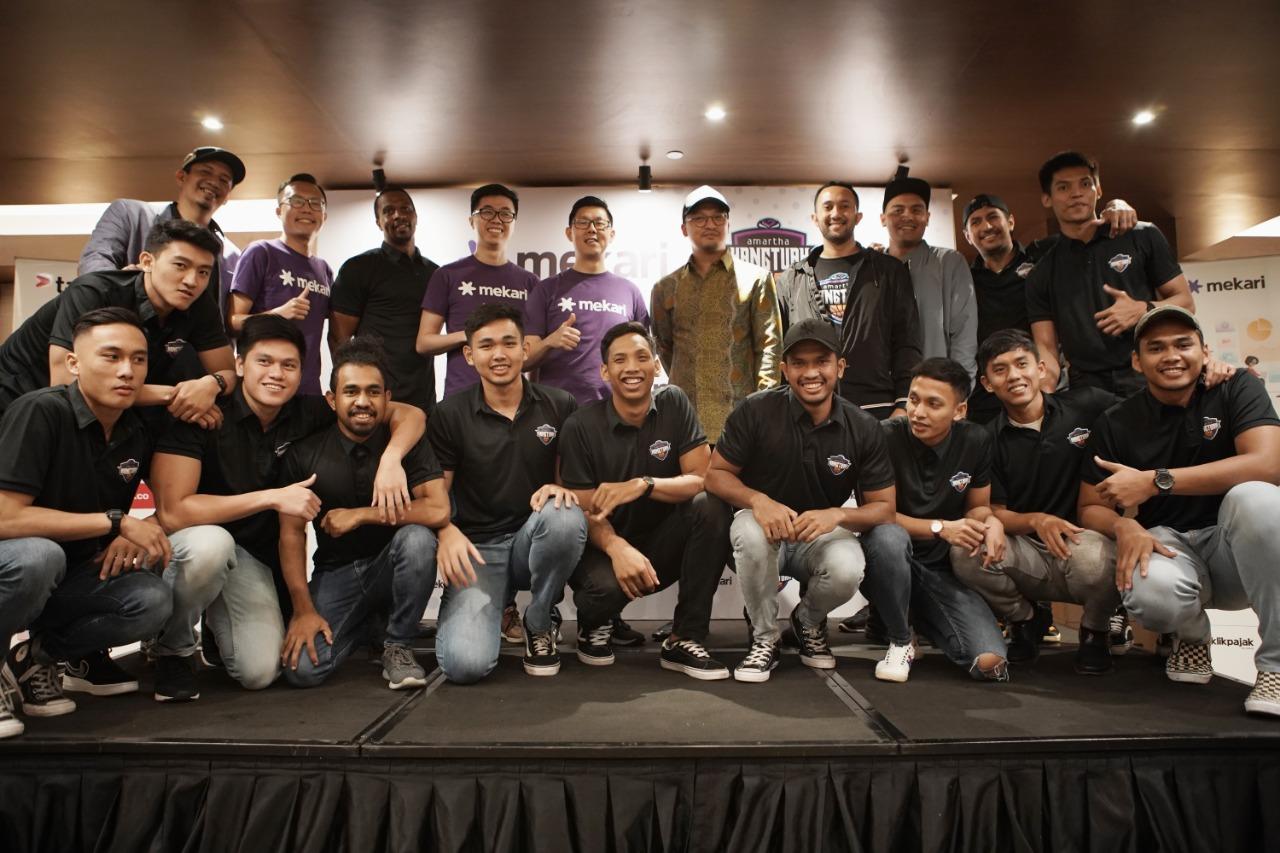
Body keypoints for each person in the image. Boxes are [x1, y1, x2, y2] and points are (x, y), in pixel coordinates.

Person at [149, 315, 425, 701]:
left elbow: (409, 414)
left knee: (261, 672)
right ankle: (173, 648)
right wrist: (271, 496)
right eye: (264, 362)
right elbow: (174, 513)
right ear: (240, 364)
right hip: (203, 545)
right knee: (211, 546)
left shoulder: (308, 412)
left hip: (258, 559)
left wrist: (392, 458)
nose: (276, 374)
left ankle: (218, 622)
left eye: (289, 365)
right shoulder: (205, 413)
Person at [1080, 305, 1280, 717]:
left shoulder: (1237, 386)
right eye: (1156, 348)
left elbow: (1267, 465)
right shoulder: (1116, 421)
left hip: (1236, 550)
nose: (1171, 355)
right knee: (1149, 593)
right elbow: (1089, 507)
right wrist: (1123, 526)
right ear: (1137, 362)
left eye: (1182, 344)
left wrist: (1156, 480)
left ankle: (1276, 666)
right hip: (1169, 547)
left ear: (1205, 352)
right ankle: (1191, 636)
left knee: (1256, 498)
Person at [0, 309, 174, 739]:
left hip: (74, 569)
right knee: (39, 556)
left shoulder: (135, 429)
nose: (127, 371)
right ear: (74, 363)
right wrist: (115, 522)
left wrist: (133, 531)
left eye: (138, 359)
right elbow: (6, 518)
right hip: (19, 560)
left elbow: (155, 504)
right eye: (111, 356)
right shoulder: (40, 411)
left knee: (151, 598)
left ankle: (35, 658)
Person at [706, 319, 903, 683]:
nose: (811, 373)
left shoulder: (863, 426)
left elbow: (884, 508)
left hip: (819, 534)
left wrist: (836, 515)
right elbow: (715, 475)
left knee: (847, 566)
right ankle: (765, 639)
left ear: (840, 367)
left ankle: (807, 622)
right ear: (785, 369)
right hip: (762, 528)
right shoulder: (755, 410)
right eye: (799, 363)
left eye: (821, 361)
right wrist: (758, 500)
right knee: (749, 531)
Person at [561, 321, 731, 678]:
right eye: (619, 360)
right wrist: (617, 548)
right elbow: (583, 509)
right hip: (604, 550)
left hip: (659, 547)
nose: (632, 367)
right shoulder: (580, 426)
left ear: (656, 365)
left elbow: (703, 479)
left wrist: (644, 484)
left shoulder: (674, 403)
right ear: (604, 371)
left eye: (641, 357)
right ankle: (597, 622)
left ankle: (685, 637)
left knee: (711, 506)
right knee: (602, 594)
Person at [427, 304, 587, 682]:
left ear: (525, 349)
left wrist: (560, 487)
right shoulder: (449, 414)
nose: (498, 354)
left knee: (564, 515)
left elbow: (573, 486)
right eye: (486, 345)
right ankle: (499, 609)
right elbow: (438, 494)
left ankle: (539, 620)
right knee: (464, 665)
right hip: (478, 549)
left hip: (534, 539)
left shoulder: (560, 404)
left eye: (508, 343)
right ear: (470, 355)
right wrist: (445, 531)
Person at [278, 337, 448, 689]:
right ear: (332, 400)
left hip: (392, 565)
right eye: (351, 391)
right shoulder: (305, 454)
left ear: (387, 398)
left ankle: (397, 644)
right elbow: (291, 534)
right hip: (337, 571)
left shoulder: (406, 443)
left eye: (373, 392)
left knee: (417, 540)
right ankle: (370, 624)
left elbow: (437, 508)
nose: (362, 402)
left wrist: (360, 515)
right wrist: (303, 609)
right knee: (303, 671)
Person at [953, 329, 1121, 673]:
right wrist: (1036, 520)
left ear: (1041, 369)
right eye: (1000, 370)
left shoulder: (1089, 405)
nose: (1014, 376)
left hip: (1082, 541)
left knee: (1100, 560)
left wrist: (1210, 371)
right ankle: (1025, 619)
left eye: (1021, 364)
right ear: (986, 384)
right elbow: (993, 510)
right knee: (964, 551)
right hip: (1024, 549)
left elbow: (1145, 407)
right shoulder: (985, 439)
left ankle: (1096, 630)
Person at [0, 219, 236, 428]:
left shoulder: (199, 304)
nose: (192, 281)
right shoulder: (94, 292)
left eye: (203, 272)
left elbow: (227, 371)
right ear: (147, 261)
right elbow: (66, 382)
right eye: (180, 265)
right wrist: (179, 396)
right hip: (17, 392)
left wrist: (211, 384)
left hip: (101, 406)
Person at [880, 358, 1011, 681]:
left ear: (959, 410)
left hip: (942, 569)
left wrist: (993, 522)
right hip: (888, 560)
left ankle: (920, 619)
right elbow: (878, 514)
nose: (918, 412)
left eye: (933, 404)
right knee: (888, 539)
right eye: (913, 399)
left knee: (989, 663)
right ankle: (899, 633)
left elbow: (978, 508)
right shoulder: (885, 436)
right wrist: (940, 529)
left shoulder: (976, 440)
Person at [1027, 151, 1194, 396]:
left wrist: (1143, 309)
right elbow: (1046, 348)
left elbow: (1186, 302)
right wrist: (1045, 395)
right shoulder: (1042, 271)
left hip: (1148, 375)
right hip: (1086, 387)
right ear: (1047, 199)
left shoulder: (1142, 235)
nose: (1076, 193)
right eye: (1063, 187)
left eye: (1085, 184)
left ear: (1098, 190)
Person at [960, 193, 1134, 423]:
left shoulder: (1044, 255)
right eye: (976, 222)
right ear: (967, 235)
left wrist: (1116, 205)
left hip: (1045, 384)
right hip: (988, 393)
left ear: (1010, 222)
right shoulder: (964, 279)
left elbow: (1085, 231)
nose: (987, 226)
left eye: (993, 216)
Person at [778, 181, 921, 420]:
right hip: (811, 411)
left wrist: (903, 402)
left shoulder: (889, 271)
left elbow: (907, 342)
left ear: (858, 216)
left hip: (878, 408)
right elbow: (780, 351)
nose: (836, 213)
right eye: (828, 207)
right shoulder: (792, 278)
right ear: (815, 218)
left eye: (844, 206)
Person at [650, 185, 781, 442]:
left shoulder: (756, 279)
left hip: (741, 419)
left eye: (717, 217)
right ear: (684, 228)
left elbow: (770, 346)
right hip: (685, 420)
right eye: (699, 218)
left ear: (728, 223)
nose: (709, 224)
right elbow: (665, 347)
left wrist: (763, 407)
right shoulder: (665, 287)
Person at [79, 146, 246, 321]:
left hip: (194, 338)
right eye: (205, 172)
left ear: (228, 196)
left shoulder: (232, 255)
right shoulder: (130, 214)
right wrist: (123, 288)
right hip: (128, 328)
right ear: (181, 177)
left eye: (224, 180)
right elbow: (94, 262)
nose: (214, 182)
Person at [417, 183, 539, 398]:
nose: (497, 219)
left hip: (513, 400)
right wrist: (468, 336)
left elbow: (531, 351)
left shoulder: (530, 282)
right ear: (471, 220)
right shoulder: (447, 275)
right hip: (460, 399)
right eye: (487, 212)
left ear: (514, 222)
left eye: (506, 214)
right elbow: (424, 343)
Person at [524, 196, 649, 403]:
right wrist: (550, 342)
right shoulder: (545, 289)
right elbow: (523, 359)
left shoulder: (630, 292)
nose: (592, 229)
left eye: (599, 223)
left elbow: (644, 356)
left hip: (616, 409)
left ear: (611, 234)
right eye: (583, 222)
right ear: (569, 233)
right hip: (556, 410)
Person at [330, 187, 439, 413]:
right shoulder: (357, 268)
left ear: (415, 216)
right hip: (373, 396)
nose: (398, 215)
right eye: (388, 211)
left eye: (405, 209)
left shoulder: (436, 274)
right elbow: (339, 337)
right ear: (379, 222)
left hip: (422, 397)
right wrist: (349, 387)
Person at [228, 174, 333, 396]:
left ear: (324, 216)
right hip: (266, 387)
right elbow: (232, 321)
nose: (307, 209)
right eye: (296, 201)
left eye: (315, 203)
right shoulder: (261, 252)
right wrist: (277, 315)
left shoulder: (323, 269)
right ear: (279, 211)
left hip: (309, 389)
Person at [882, 169, 978, 383]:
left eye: (917, 210)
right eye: (898, 210)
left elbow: (964, 334)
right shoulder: (873, 269)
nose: (907, 216)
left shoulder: (949, 262)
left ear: (927, 218)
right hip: (883, 390)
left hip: (936, 388)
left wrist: (958, 389)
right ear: (883, 219)